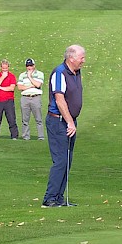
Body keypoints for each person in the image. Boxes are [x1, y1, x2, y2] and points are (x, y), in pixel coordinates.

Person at [42, 45, 85, 208]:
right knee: (60, 160)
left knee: (67, 159)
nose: (83, 61)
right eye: (81, 57)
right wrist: (69, 122)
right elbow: (59, 100)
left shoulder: (76, 72)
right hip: (58, 121)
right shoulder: (59, 72)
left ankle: (59, 197)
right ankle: (49, 198)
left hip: (69, 121)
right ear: (71, 58)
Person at [17, 58, 45, 140]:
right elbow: (19, 87)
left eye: (31, 66)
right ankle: (26, 136)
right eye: (28, 66)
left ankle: (41, 136)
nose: (29, 68)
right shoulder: (22, 75)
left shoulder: (39, 74)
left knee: (38, 118)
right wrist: (30, 86)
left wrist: (29, 77)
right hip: (25, 97)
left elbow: (38, 84)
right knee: (25, 119)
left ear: (34, 65)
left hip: (35, 97)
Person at [0, 59, 18, 139]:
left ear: (8, 67)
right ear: (1, 68)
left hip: (9, 100)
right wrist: (3, 77)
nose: (5, 70)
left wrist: (1, 87)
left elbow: (11, 88)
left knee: (11, 118)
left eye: (6, 68)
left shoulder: (12, 76)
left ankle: (14, 136)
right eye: (3, 68)